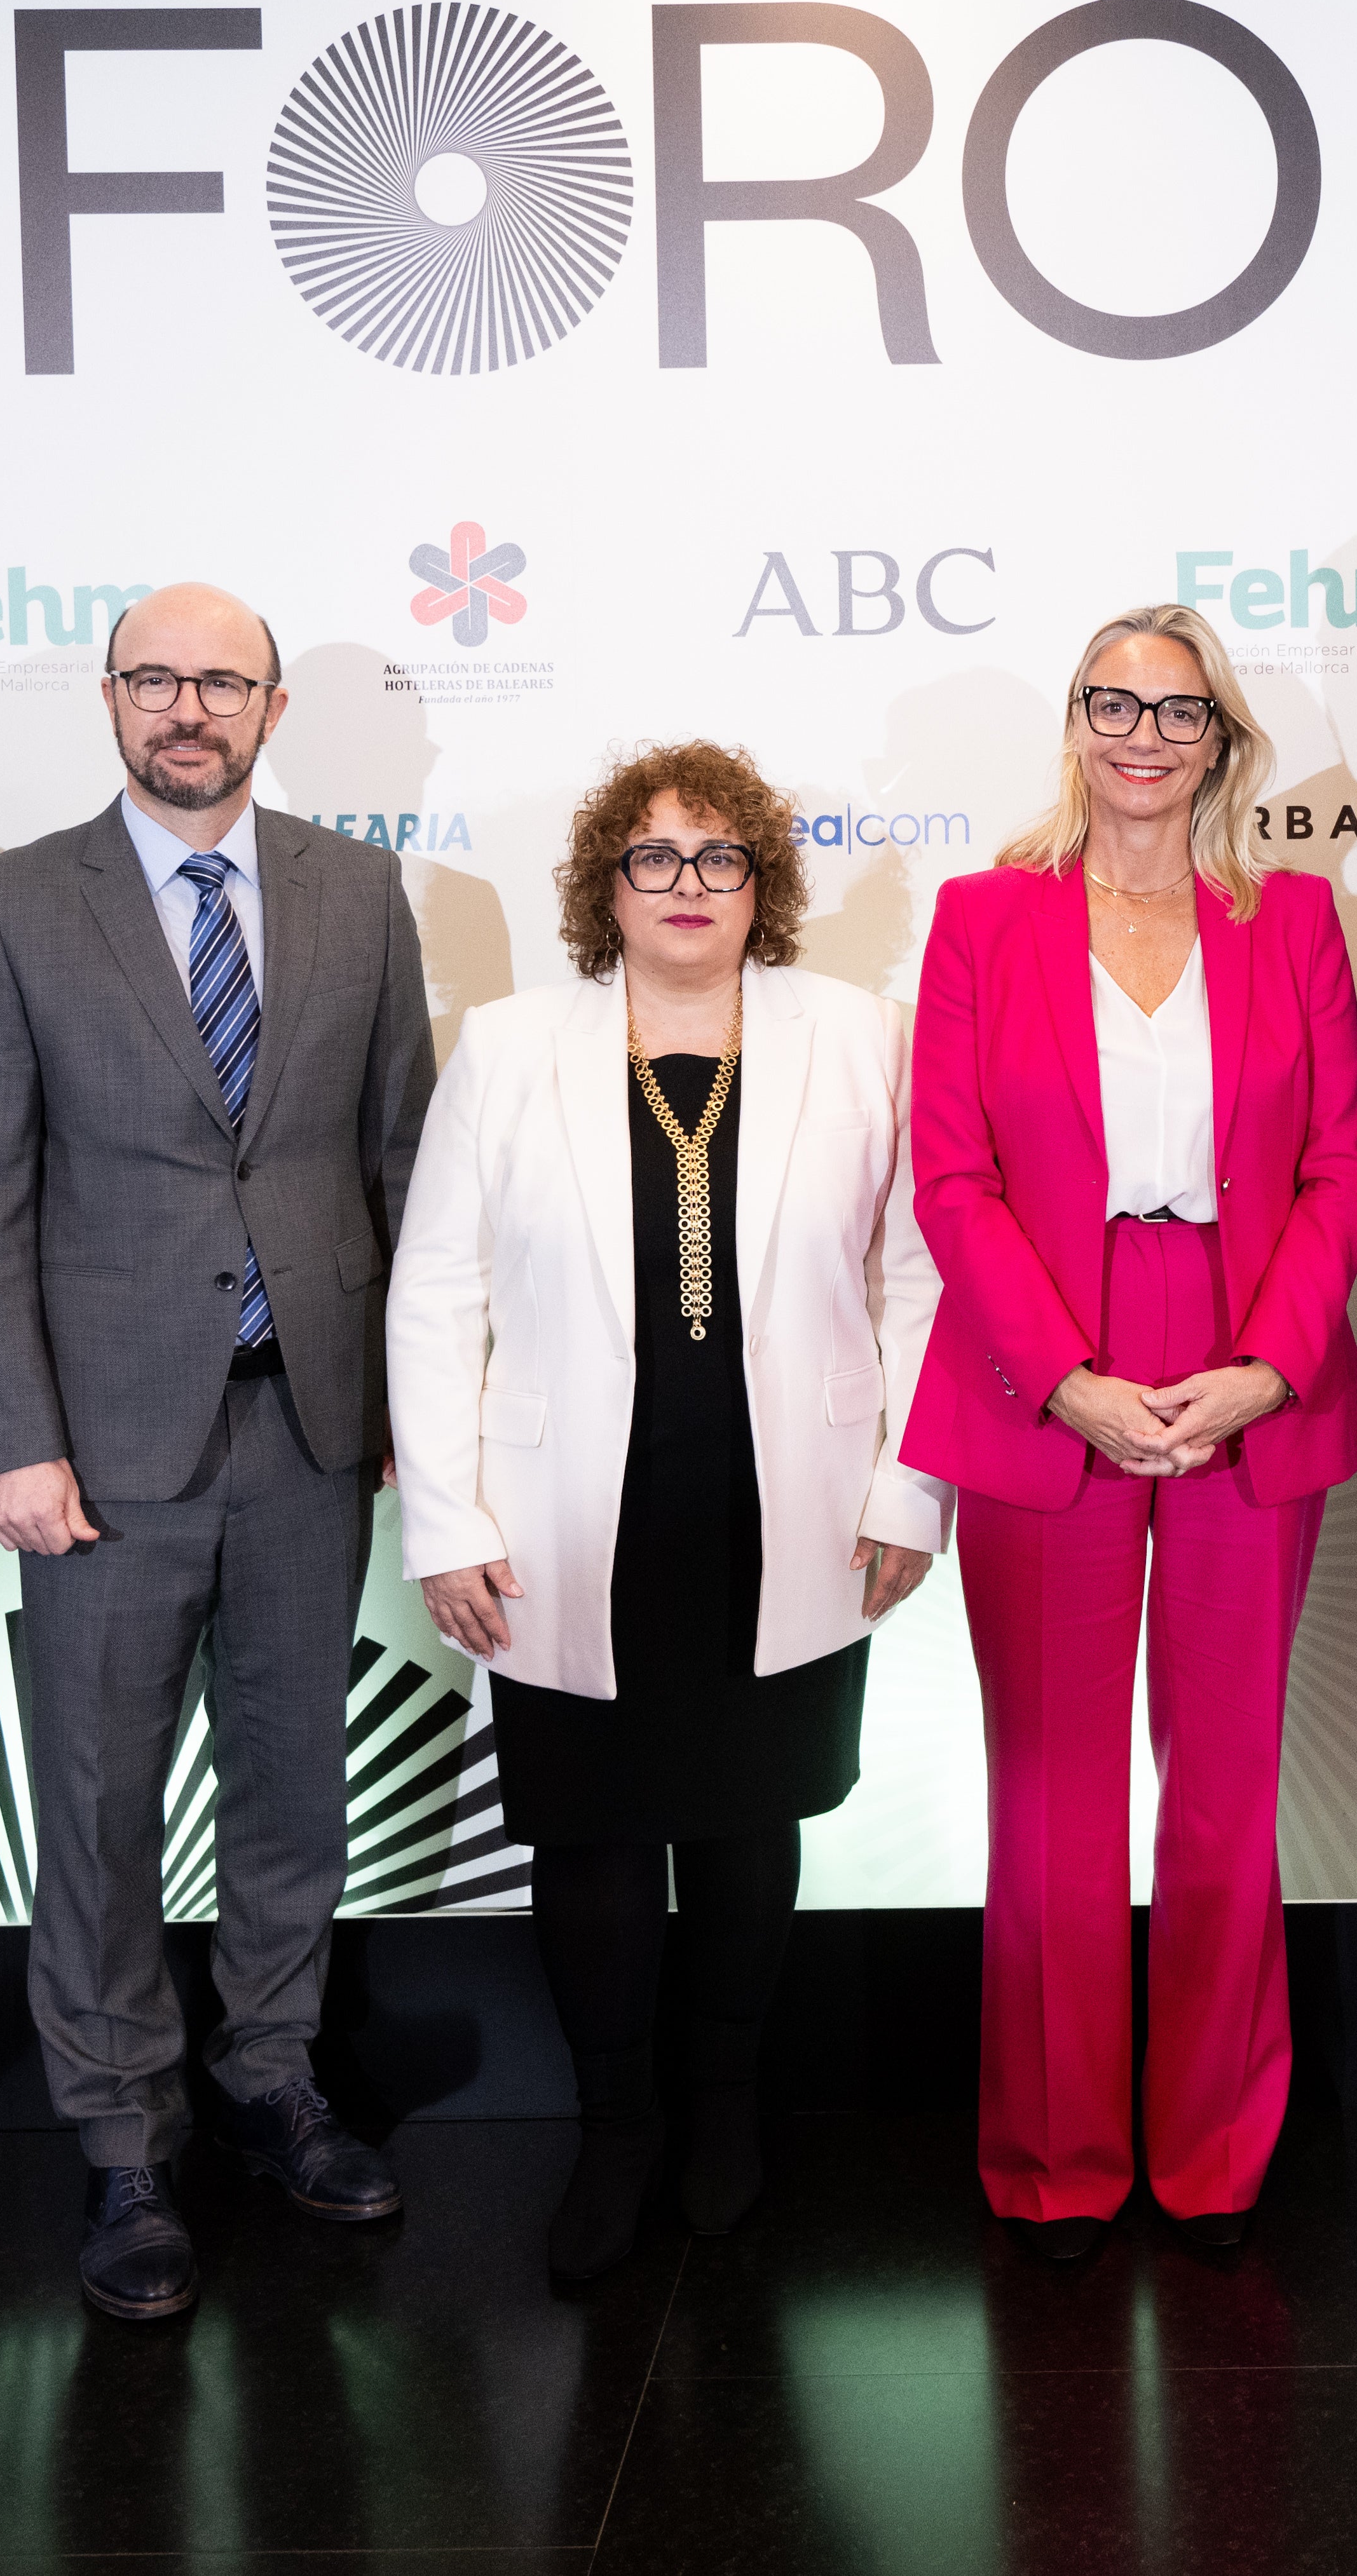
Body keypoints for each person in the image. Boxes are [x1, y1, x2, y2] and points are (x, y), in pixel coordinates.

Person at [0, 581, 435, 2321]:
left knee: (295, 1778)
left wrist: (397, 1414)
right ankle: (122, 2137)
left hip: (307, 1421)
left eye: (221, 679)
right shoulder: (7, 908)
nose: (187, 706)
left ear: (273, 706)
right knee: (96, 1800)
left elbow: (398, 1164)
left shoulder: (361, 894)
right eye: (155, 677)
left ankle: (271, 2070)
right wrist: (12, 1436)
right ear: (108, 696)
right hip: (102, 1448)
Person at [386, 742, 944, 2282]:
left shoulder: (854, 1036)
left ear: (760, 883)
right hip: (565, 1512)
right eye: (654, 857)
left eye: (719, 857)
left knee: (750, 1821)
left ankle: (722, 2110)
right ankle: (614, 2122)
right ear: (604, 887)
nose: (687, 885)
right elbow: (436, 1289)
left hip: (796, 1503)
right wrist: (442, 1514)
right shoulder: (504, 1049)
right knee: (592, 1829)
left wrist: (913, 1482)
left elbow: (916, 1276)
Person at [903, 604, 1357, 2259]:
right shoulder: (980, 919)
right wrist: (1064, 1377)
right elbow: (951, 1181)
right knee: (1050, 1799)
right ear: (1075, 721)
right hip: (1049, 1364)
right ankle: (1053, 2156)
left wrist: (1266, 1362)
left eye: (1176, 712)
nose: (1141, 735)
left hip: (1248, 1360)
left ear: (1219, 743)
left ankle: (1214, 2152)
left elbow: (1340, 1171)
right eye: (1112, 702)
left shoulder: (1294, 919)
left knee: (1226, 1787)